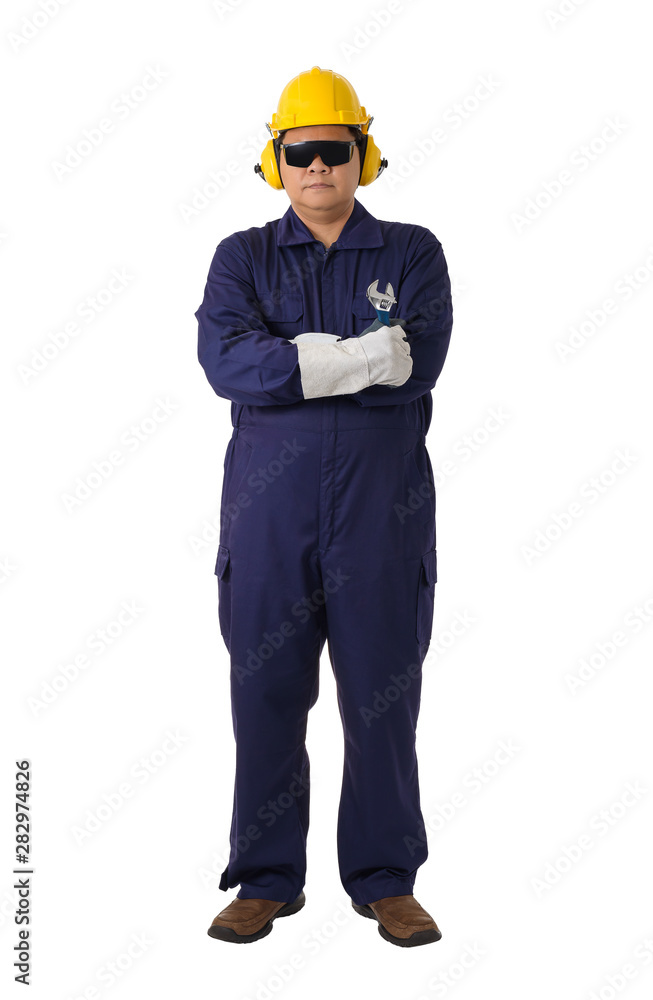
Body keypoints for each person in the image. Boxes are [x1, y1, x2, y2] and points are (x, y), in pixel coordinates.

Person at [195, 66, 453, 948]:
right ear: (275, 159)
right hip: (268, 523)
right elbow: (229, 366)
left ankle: (385, 878)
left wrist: (297, 362)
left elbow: (415, 366)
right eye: (297, 151)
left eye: (332, 149)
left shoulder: (412, 251)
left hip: (383, 518)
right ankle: (265, 877)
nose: (316, 166)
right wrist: (355, 358)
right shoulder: (243, 257)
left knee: (381, 695)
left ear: (362, 154)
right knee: (265, 690)